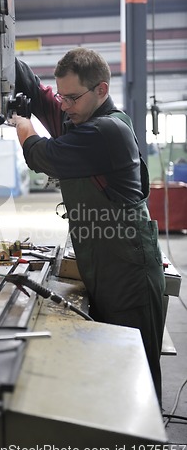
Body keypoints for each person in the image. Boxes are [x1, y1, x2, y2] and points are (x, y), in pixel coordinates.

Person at [12, 47, 165, 404]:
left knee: (137, 373)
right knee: (113, 366)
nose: (64, 105)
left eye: (73, 98)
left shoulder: (105, 131)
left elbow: (42, 155)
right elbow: (33, 88)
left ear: (101, 90)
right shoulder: (78, 115)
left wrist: (23, 126)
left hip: (128, 271)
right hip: (102, 263)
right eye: (62, 96)